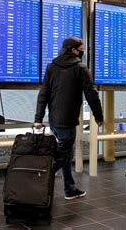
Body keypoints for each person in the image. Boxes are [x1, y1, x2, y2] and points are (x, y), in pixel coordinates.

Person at [34, 37, 104, 200]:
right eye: (81, 49)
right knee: (64, 155)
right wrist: (99, 116)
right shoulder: (80, 68)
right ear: (72, 50)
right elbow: (91, 94)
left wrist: (38, 117)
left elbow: (43, 93)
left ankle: (69, 188)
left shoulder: (51, 66)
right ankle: (38, 176)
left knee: (65, 151)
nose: (82, 52)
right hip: (68, 120)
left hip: (54, 120)